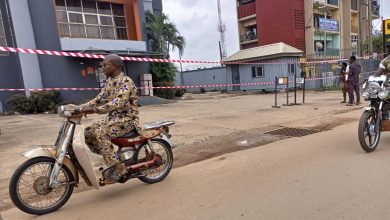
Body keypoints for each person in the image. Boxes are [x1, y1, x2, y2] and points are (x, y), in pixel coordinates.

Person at [78, 54, 139, 182]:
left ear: (115, 66)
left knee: (100, 132)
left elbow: (118, 102)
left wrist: (96, 110)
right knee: (87, 133)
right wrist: (80, 108)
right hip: (112, 119)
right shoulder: (110, 82)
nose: (103, 67)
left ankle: (118, 167)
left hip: (127, 120)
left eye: (105, 65)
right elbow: (98, 99)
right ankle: (107, 162)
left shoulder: (126, 82)